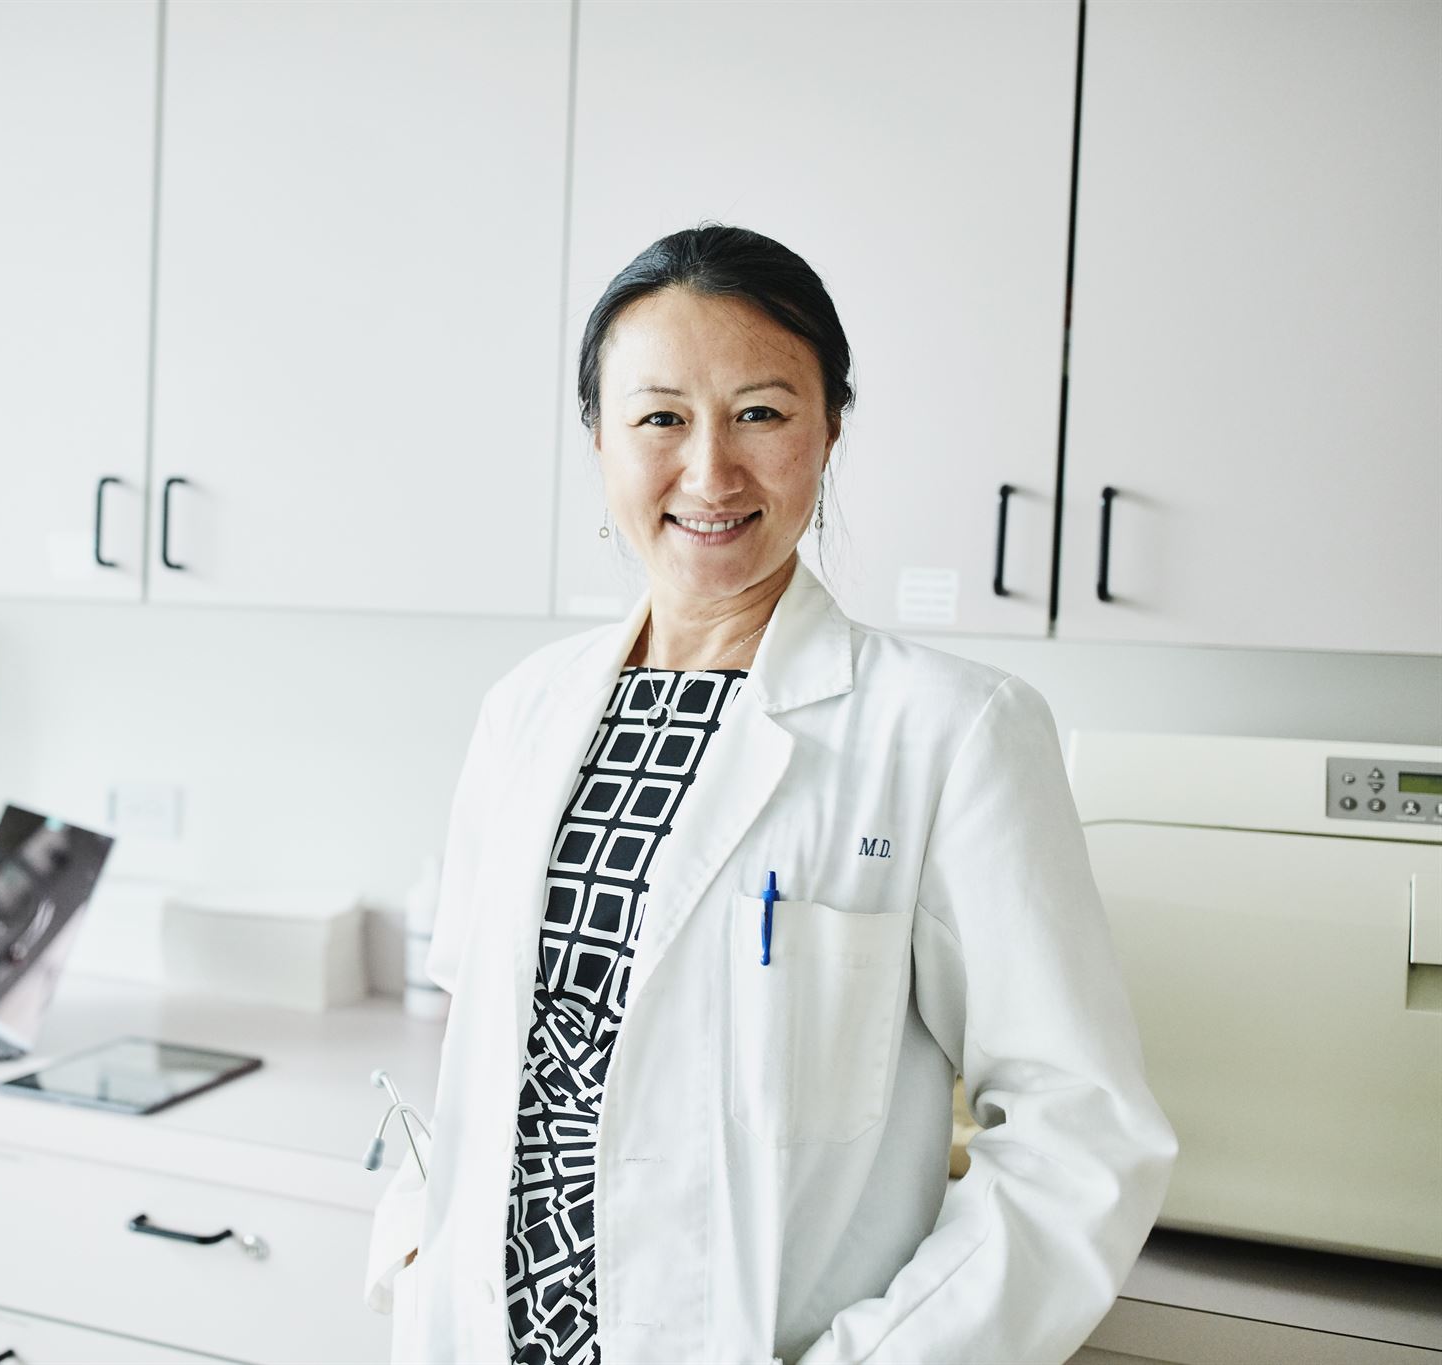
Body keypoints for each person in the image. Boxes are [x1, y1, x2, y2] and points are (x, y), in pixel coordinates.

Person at [364, 224, 1176, 1364]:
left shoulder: (952, 733)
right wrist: (417, 1246)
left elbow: (1078, 1139)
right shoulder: (524, 711)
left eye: (758, 412)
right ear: (598, 437)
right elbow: (477, 1040)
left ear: (829, 427)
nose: (709, 473)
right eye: (659, 418)